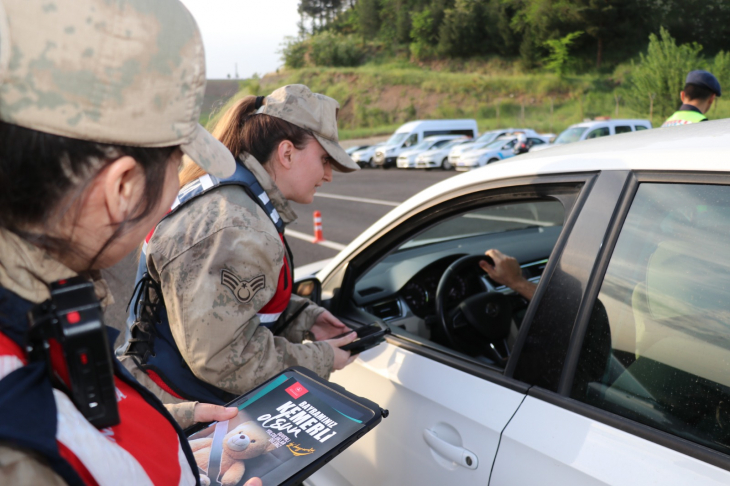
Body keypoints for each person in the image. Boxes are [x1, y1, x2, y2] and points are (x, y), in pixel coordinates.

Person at [0, 0, 260, 484]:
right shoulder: (22, 443)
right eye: (177, 162)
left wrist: (171, 431)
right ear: (123, 188)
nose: (174, 193)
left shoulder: (38, 305)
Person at [120, 85, 360, 406]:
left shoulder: (230, 194)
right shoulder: (238, 225)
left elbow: (216, 303)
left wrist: (304, 318)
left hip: (159, 394)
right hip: (179, 410)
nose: (328, 174)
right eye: (325, 159)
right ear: (287, 153)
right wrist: (320, 359)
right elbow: (223, 359)